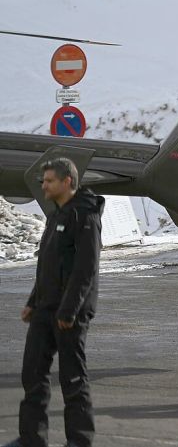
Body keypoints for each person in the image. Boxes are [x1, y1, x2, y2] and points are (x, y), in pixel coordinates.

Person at [6, 158, 104, 447]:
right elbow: (48, 265)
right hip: (45, 310)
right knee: (32, 374)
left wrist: (70, 310)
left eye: (49, 180)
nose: (43, 185)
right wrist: (33, 301)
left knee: (73, 379)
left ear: (67, 182)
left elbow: (86, 269)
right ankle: (31, 440)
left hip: (69, 313)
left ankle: (79, 441)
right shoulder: (58, 215)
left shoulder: (85, 216)